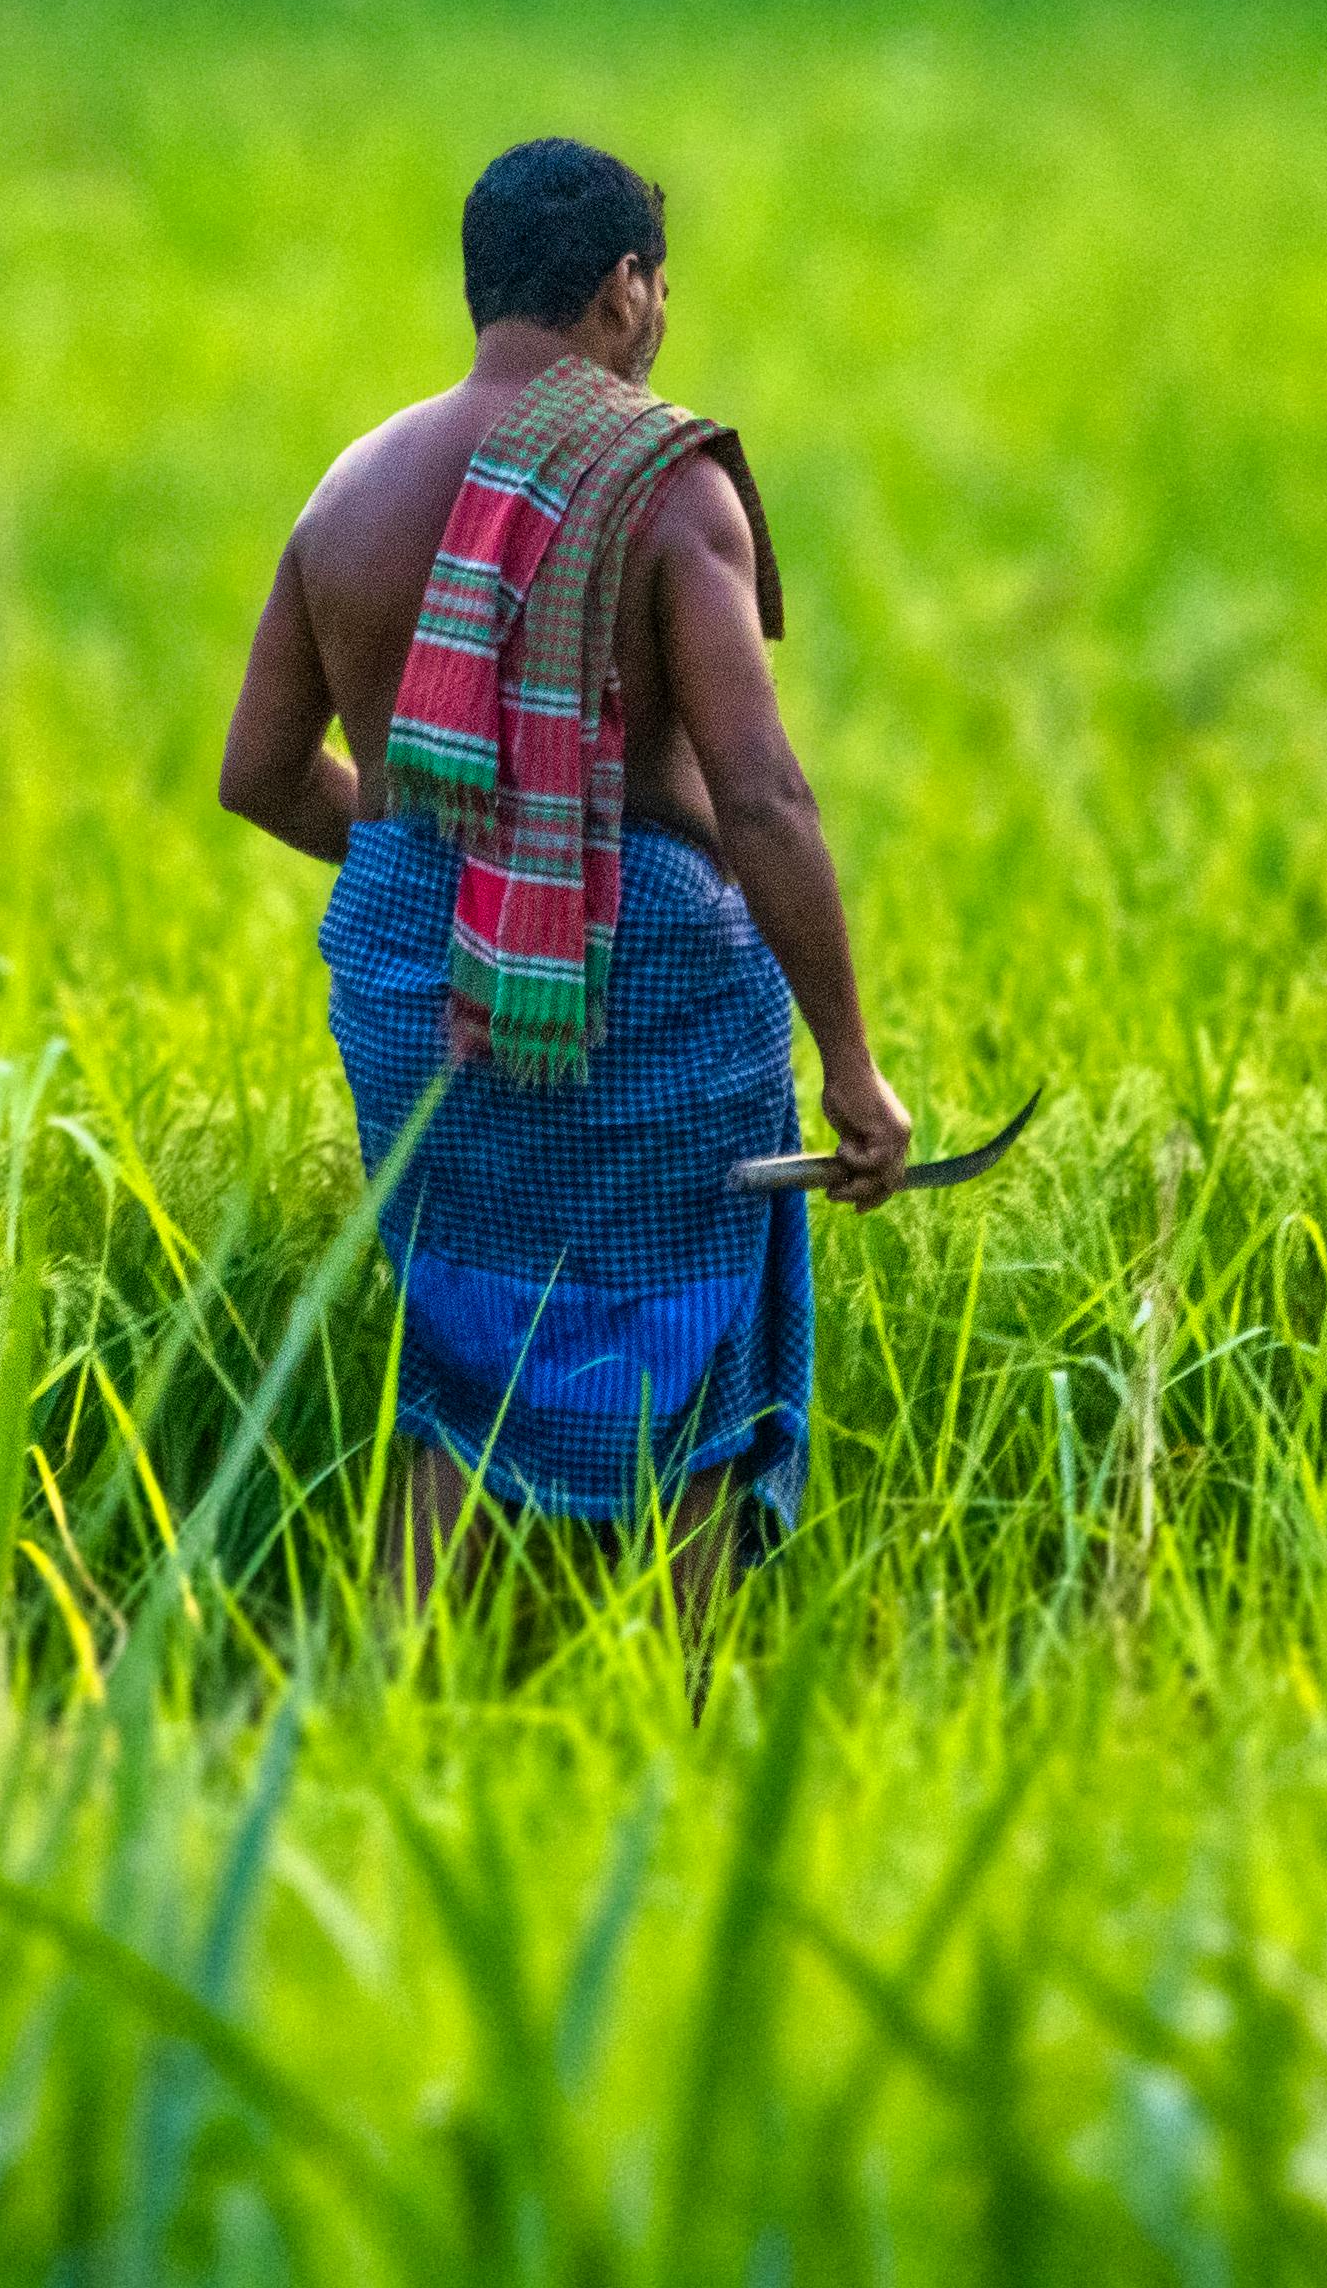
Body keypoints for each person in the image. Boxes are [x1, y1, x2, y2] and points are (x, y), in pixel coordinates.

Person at [215, 136, 910, 1607]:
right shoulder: (667, 483)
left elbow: (261, 776)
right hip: (644, 1000)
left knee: (463, 1377)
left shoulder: (348, 492)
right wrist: (851, 1061)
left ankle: (389, 1712)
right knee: (698, 1387)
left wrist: (469, 878)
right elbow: (764, 797)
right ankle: (692, 1717)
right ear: (624, 291)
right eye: (659, 284)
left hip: (422, 1003)